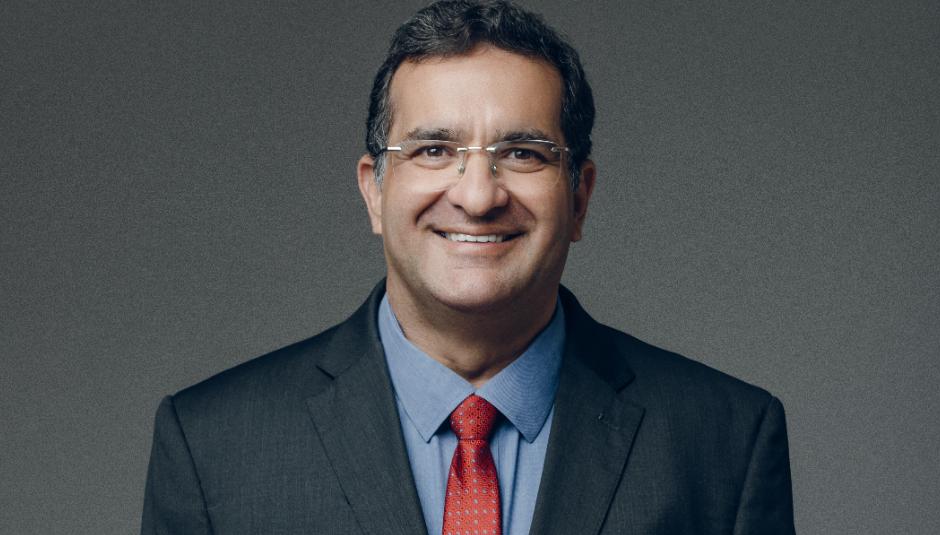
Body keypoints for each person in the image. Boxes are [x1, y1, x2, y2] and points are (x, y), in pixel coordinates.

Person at [141, 1, 795, 533]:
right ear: (374, 191)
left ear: (579, 196)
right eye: (433, 149)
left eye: (523, 153)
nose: (478, 197)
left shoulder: (723, 441)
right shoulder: (213, 447)